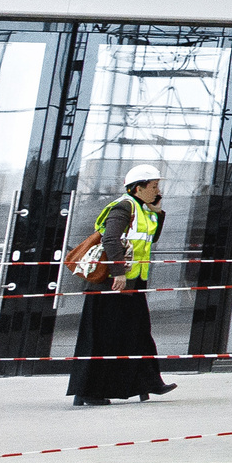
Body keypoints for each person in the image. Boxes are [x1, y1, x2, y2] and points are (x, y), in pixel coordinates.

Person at [66, 164, 175, 407]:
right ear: (138, 188)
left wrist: (158, 212)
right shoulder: (123, 207)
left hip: (133, 282)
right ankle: (87, 392)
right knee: (102, 337)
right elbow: (111, 238)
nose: (158, 191)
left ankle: (149, 382)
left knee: (138, 333)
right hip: (112, 284)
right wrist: (118, 273)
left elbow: (152, 238)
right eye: (154, 186)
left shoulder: (142, 209)